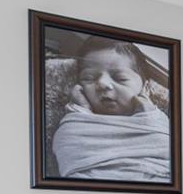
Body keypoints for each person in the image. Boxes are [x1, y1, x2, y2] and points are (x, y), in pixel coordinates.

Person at [50, 36, 172, 183]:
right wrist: (80, 111)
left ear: (145, 88)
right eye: (89, 78)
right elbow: (68, 146)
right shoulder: (75, 124)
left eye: (120, 78)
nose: (102, 83)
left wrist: (148, 111)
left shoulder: (157, 123)